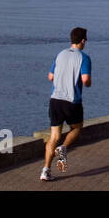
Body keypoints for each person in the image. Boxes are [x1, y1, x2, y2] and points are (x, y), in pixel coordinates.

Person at [42, 26, 91, 182]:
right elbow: (85, 80)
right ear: (83, 41)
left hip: (55, 100)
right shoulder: (84, 58)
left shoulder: (60, 54)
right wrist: (88, 83)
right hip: (72, 101)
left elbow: (50, 77)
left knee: (54, 136)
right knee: (77, 128)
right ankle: (63, 148)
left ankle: (46, 170)